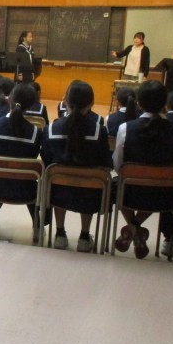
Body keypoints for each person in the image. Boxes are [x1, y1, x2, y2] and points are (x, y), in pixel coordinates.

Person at [112, 80, 173, 259]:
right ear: (165, 103)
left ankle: (132, 228)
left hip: (129, 191)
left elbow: (118, 164)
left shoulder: (126, 128)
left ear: (139, 102)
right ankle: (136, 228)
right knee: (164, 183)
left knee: (115, 186)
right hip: (163, 195)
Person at [41, 81, 112, 252]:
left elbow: (46, 161)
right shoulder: (99, 131)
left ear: (65, 101)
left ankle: (59, 234)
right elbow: (106, 164)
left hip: (58, 193)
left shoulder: (51, 129)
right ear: (91, 104)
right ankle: (84, 237)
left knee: (55, 179)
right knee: (92, 182)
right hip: (89, 195)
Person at [0, 84, 42, 237]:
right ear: (30, 106)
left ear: (9, 100)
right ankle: (37, 227)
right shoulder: (35, 133)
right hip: (26, 190)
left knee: (1, 175)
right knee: (25, 178)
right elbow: (33, 155)